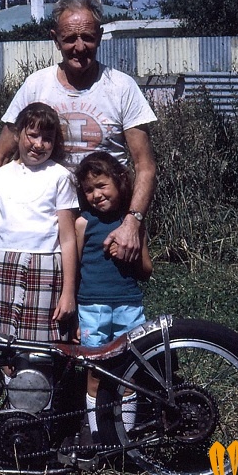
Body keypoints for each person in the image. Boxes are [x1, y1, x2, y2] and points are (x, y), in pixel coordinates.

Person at [0, 0, 157, 272]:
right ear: (55, 39)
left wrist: (132, 223)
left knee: (108, 302)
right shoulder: (36, 86)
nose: (79, 47)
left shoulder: (121, 87)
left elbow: (145, 166)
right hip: (45, 221)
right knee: (50, 305)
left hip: (105, 220)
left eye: (88, 38)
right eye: (70, 39)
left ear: (100, 35)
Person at [0, 102, 79, 342]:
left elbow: (68, 239)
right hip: (1, 264)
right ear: (18, 134)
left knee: (41, 349)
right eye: (33, 135)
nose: (39, 144)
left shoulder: (60, 177)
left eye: (47, 139)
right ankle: (4, 380)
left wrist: (68, 292)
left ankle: (39, 380)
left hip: (45, 267)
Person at [74, 151, 153, 438]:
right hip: (92, 307)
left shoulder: (133, 224)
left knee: (127, 370)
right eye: (89, 190)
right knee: (94, 371)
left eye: (101, 185)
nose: (96, 195)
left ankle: (125, 437)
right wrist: (73, 315)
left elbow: (146, 270)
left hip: (128, 306)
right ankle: (97, 436)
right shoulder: (82, 223)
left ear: (119, 182)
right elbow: (74, 270)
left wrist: (127, 255)